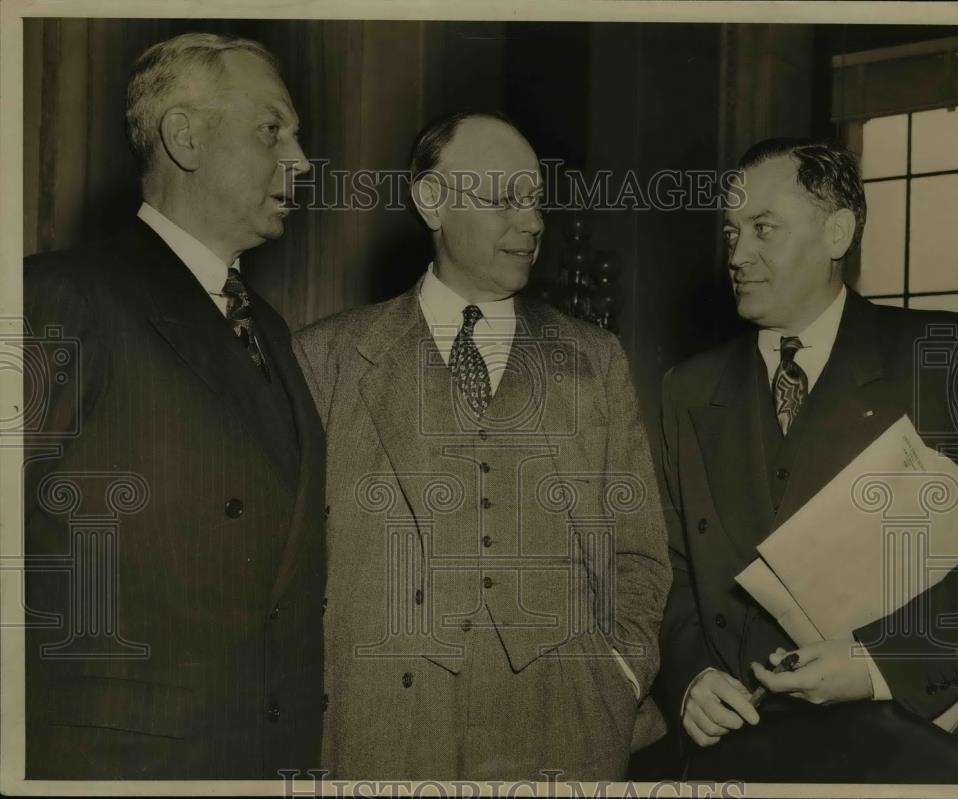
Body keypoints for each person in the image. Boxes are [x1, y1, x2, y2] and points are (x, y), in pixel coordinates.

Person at [293, 110, 671, 780]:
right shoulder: (328, 356)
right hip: (381, 732)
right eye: (504, 200)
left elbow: (638, 552)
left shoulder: (595, 358)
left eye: (536, 201)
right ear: (431, 201)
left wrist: (618, 672)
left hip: (564, 729)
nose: (532, 223)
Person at [23, 33, 326, 779]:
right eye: (272, 129)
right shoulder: (57, 298)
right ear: (185, 136)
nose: (302, 162)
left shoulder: (273, 332)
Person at [654, 138, 958, 781]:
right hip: (741, 748)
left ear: (838, 232)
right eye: (731, 232)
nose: (738, 255)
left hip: (916, 743)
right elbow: (666, 567)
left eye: (764, 230)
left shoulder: (949, 356)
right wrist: (691, 675)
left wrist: (876, 665)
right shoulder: (688, 390)